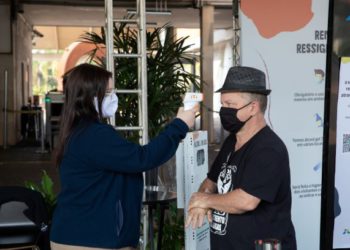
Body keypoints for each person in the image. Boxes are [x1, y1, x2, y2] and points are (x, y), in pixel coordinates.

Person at [50, 63, 198, 250]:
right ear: (89, 96)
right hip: (89, 239)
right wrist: (180, 125)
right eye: (109, 92)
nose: (114, 97)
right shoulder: (95, 135)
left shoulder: (77, 131)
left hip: (78, 234)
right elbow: (142, 158)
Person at [185, 66, 297, 250]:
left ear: (253, 107)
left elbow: (246, 201)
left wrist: (203, 200)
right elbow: (211, 181)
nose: (224, 110)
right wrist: (202, 197)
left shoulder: (269, 149)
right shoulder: (232, 141)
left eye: (230, 105)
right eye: (222, 104)